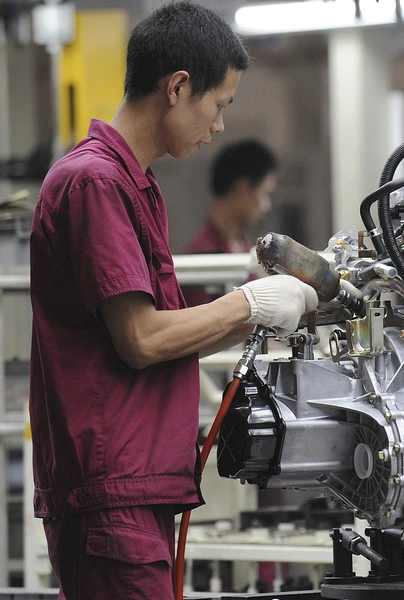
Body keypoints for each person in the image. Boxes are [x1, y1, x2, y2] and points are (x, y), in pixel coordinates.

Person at [28, 2, 318, 598]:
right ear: (178, 87)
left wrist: (263, 305)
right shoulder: (96, 183)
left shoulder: (134, 184)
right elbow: (142, 339)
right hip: (113, 493)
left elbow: (166, 330)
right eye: (219, 106)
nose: (217, 127)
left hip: (138, 487)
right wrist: (252, 303)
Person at [182, 139, 278, 306]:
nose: (266, 206)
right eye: (264, 194)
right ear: (242, 188)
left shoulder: (245, 247)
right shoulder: (203, 258)